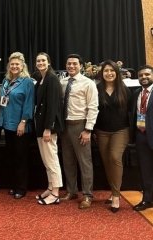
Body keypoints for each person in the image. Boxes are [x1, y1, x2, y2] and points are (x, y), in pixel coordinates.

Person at [60, 54, 99, 209]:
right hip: (65, 126)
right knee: (68, 161)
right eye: (69, 63)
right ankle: (71, 191)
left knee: (85, 162)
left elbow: (93, 107)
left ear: (81, 66)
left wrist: (88, 130)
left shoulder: (88, 83)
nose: (71, 66)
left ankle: (88, 195)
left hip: (80, 125)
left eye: (74, 64)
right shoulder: (62, 82)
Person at [94, 60, 131, 213]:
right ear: (102, 74)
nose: (109, 73)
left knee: (115, 158)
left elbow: (131, 113)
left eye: (111, 70)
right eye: (106, 71)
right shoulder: (96, 89)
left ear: (117, 72)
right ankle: (113, 191)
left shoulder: (125, 90)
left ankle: (116, 196)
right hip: (102, 131)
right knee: (107, 161)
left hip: (121, 131)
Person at [0, 52, 34, 199]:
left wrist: (23, 122)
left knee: (20, 158)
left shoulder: (27, 82)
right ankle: (13, 185)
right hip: (7, 126)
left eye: (17, 64)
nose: (14, 66)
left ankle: (21, 188)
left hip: (20, 127)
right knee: (11, 157)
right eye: (12, 64)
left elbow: (29, 104)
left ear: (22, 66)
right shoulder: (6, 81)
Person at [34, 52, 64, 205]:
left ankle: (56, 193)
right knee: (47, 160)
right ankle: (51, 187)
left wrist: (48, 128)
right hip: (40, 126)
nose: (40, 63)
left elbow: (53, 106)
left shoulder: (52, 79)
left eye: (43, 60)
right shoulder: (41, 79)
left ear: (49, 62)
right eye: (38, 60)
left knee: (52, 160)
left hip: (48, 127)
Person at [131, 65, 153, 211]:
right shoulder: (136, 93)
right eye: (141, 75)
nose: (144, 77)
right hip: (141, 136)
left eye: (147, 74)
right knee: (145, 171)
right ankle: (147, 200)